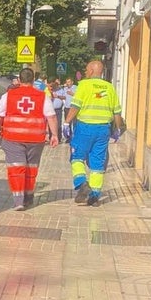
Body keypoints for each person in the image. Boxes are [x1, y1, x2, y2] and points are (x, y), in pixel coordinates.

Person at [0, 67, 59, 210]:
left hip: (12, 138)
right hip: (35, 139)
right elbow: (51, 116)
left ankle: (18, 200)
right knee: (31, 168)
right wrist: (54, 135)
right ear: (33, 80)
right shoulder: (42, 96)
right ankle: (28, 197)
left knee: (16, 167)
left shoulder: (8, 96)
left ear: (19, 80)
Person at [62, 60, 123, 207]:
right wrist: (117, 129)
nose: (84, 72)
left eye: (86, 69)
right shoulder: (110, 87)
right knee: (97, 163)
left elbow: (76, 106)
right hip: (103, 130)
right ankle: (94, 196)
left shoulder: (84, 85)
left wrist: (66, 122)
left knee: (77, 157)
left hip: (85, 127)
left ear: (90, 71)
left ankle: (82, 184)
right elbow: (117, 111)